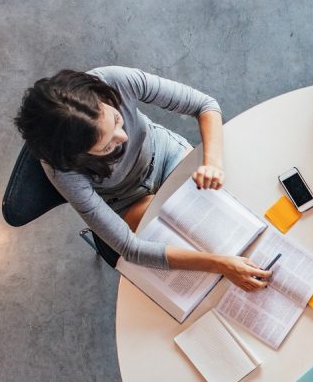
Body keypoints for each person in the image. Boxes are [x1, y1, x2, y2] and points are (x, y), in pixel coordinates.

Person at [14, 66, 271, 290]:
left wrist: (213, 163)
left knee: (235, 204)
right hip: (125, 201)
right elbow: (130, 248)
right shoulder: (62, 170)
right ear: (76, 157)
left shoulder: (114, 80)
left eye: (117, 119)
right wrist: (220, 265)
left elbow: (205, 105)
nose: (123, 137)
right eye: (107, 146)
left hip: (166, 156)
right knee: (194, 246)